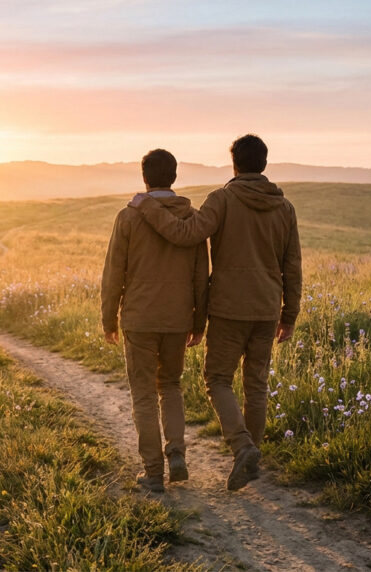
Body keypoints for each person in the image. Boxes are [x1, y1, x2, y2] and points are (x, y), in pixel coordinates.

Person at [129, 134, 302, 491]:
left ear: (235, 164)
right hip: (267, 307)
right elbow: (292, 265)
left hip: (227, 308)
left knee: (218, 380)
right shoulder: (285, 209)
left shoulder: (222, 200)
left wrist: (145, 205)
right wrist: (290, 314)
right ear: (264, 164)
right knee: (257, 384)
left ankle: (243, 448)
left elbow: (185, 233)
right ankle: (250, 456)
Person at [101, 149, 209, 493]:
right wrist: (199, 322)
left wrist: (108, 319)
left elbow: (113, 272)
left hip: (139, 318)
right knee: (172, 387)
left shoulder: (128, 217)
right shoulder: (192, 219)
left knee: (144, 394)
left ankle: (152, 471)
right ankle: (177, 455)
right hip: (178, 319)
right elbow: (200, 276)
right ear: (174, 177)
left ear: (144, 177)